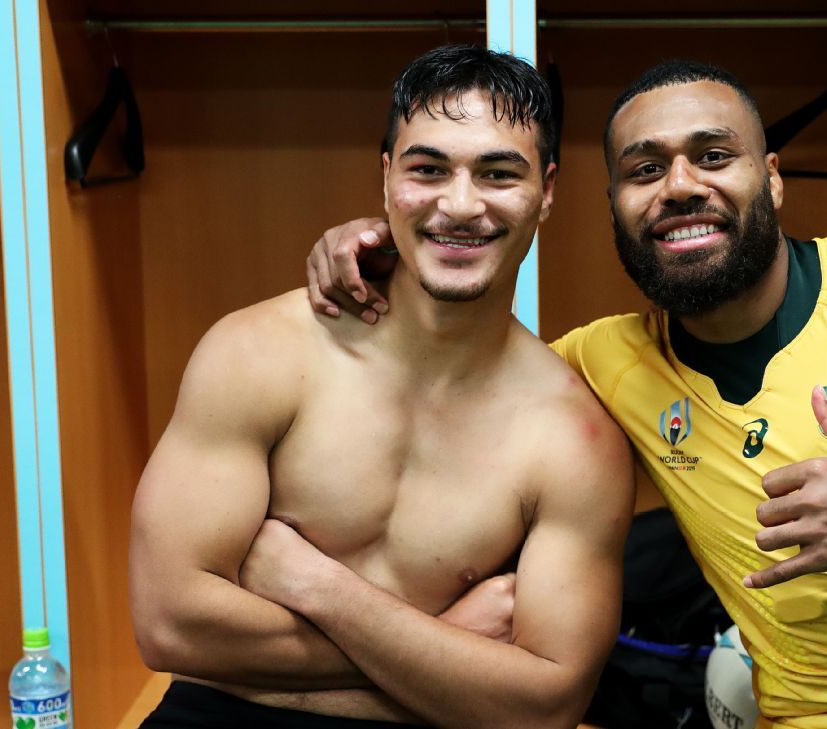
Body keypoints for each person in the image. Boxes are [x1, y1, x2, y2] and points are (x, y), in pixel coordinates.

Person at [305, 60, 827, 728]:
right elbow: (447, 379)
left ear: (773, 178)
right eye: (644, 169)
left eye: (714, 156)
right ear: (611, 205)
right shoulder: (600, 366)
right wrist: (386, 250)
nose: (680, 185)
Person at [129, 45, 634, 729]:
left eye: (498, 173)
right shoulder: (259, 353)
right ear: (387, 176)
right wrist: (447, 639)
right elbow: (169, 625)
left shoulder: (574, 438)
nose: (461, 205)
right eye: (428, 169)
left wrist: (320, 587)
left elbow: (544, 706)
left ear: (545, 192)